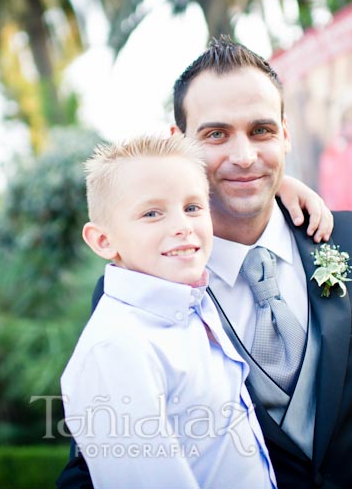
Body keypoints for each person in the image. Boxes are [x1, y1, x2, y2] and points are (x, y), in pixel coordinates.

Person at [59, 37, 352, 488]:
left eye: (260, 131)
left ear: (285, 133)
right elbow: (98, 460)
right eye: (216, 134)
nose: (244, 157)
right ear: (179, 142)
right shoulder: (143, 286)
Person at [61, 134, 277, 488]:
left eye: (193, 207)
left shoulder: (194, 305)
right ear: (103, 240)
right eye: (151, 213)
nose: (182, 226)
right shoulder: (115, 349)